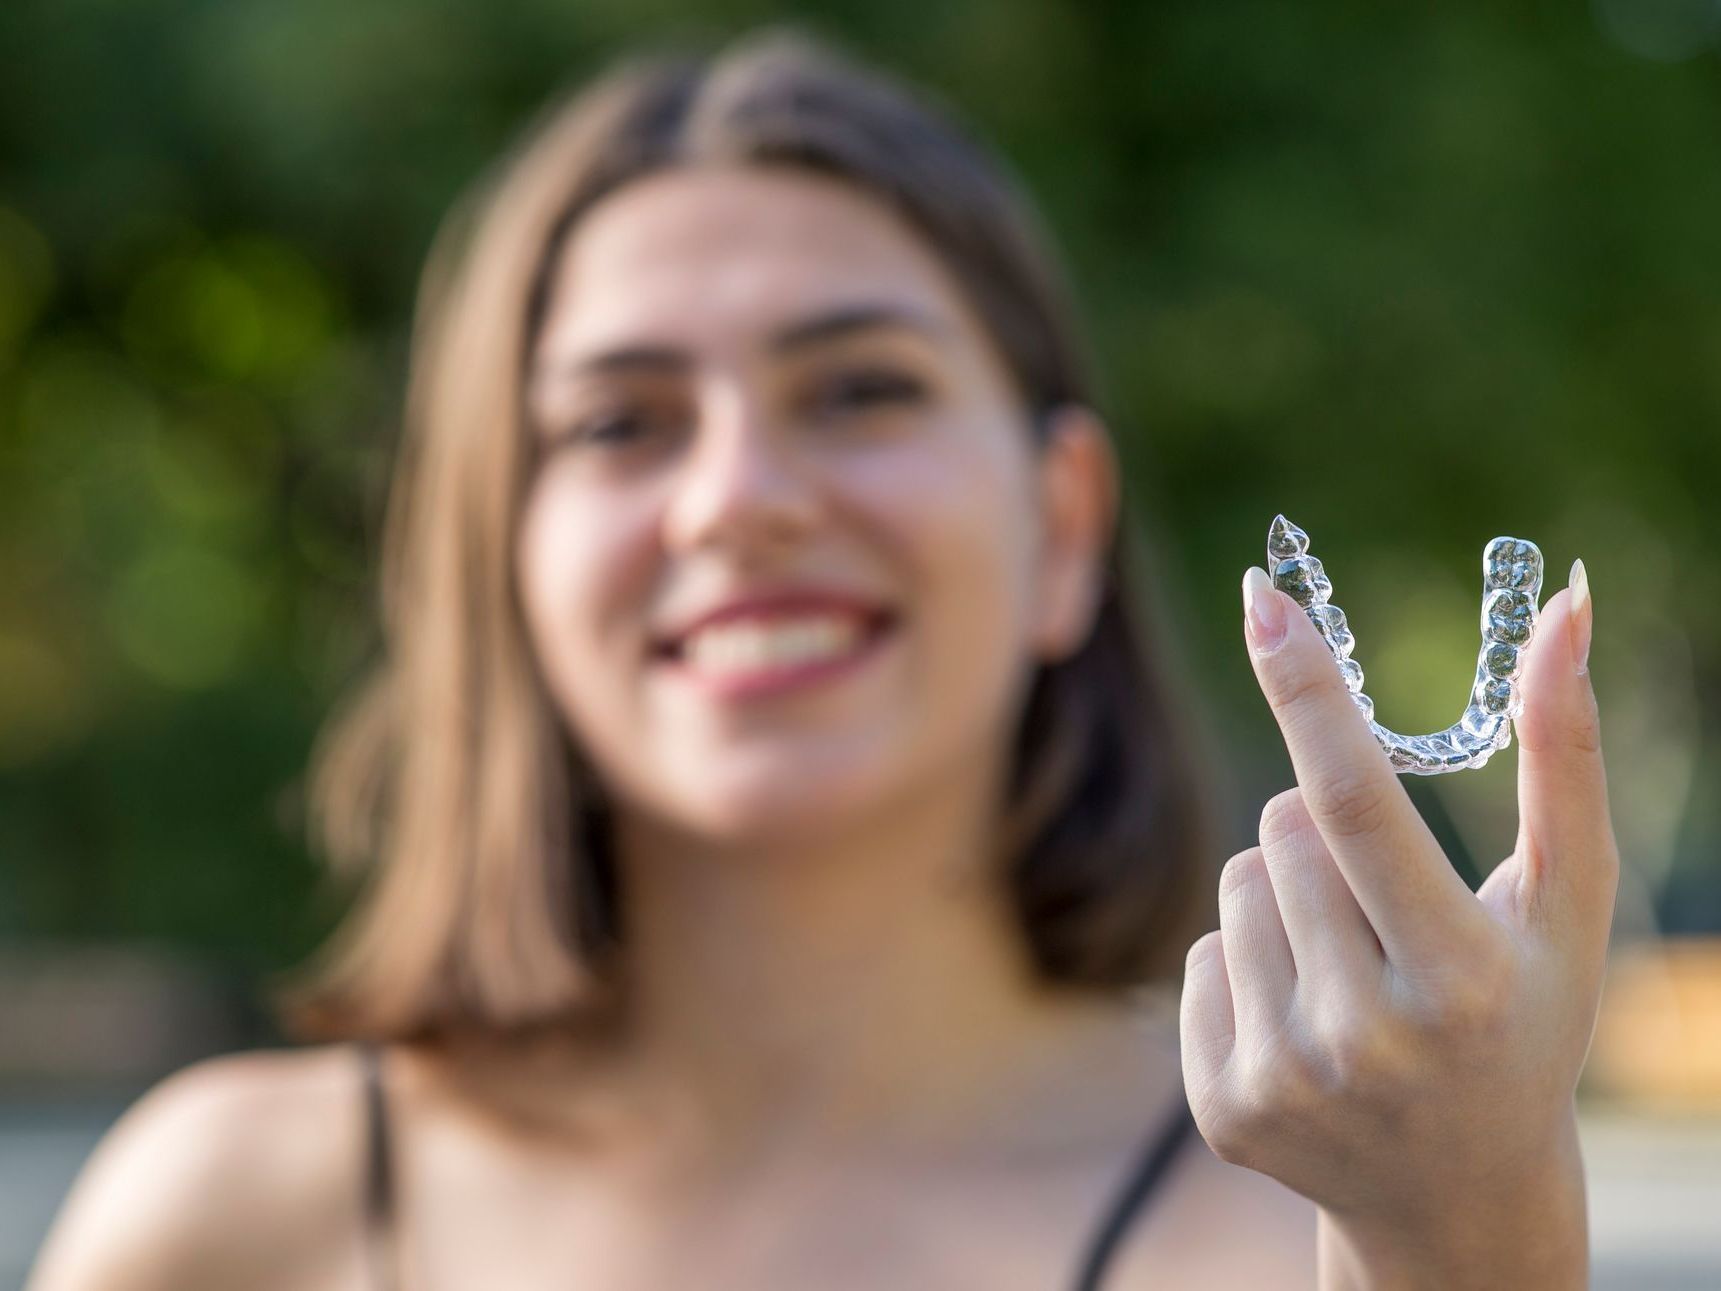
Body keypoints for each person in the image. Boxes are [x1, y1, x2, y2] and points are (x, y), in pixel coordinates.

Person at [26, 24, 1618, 1291]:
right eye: (619, 423)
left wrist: (1463, 1248)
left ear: (1061, 526)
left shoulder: (1301, 1237)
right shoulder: (225, 1224)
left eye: (859, 390)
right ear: (498, 560)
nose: (738, 501)